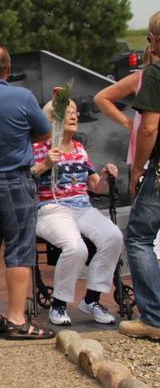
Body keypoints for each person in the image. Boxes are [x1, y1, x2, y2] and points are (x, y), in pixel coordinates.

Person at [0, 46, 54, 340]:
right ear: (8, 69)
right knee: (19, 250)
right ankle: (17, 319)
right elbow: (44, 132)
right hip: (16, 180)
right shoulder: (22, 96)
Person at [32, 99, 123, 327]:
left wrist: (104, 176)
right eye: (67, 112)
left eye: (75, 112)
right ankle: (59, 304)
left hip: (82, 208)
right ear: (52, 119)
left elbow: (95, 187)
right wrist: (43, 164)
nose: (74, 115)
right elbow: (24, 178)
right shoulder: (37, 147)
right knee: (76, 247)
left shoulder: (79, 149)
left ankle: (91, 300)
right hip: (50, 208)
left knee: (114, 237)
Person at [121, 11, 160, 340]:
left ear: (155, 40)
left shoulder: (156, 72)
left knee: (139, 238)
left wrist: (138, 169)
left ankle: (154, 317)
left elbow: (149, 127)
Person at [94, 43, 157, 166]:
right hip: (145, 148)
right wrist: (126, 122)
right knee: (143, 181)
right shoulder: (140, 77)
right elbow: (101, 98)